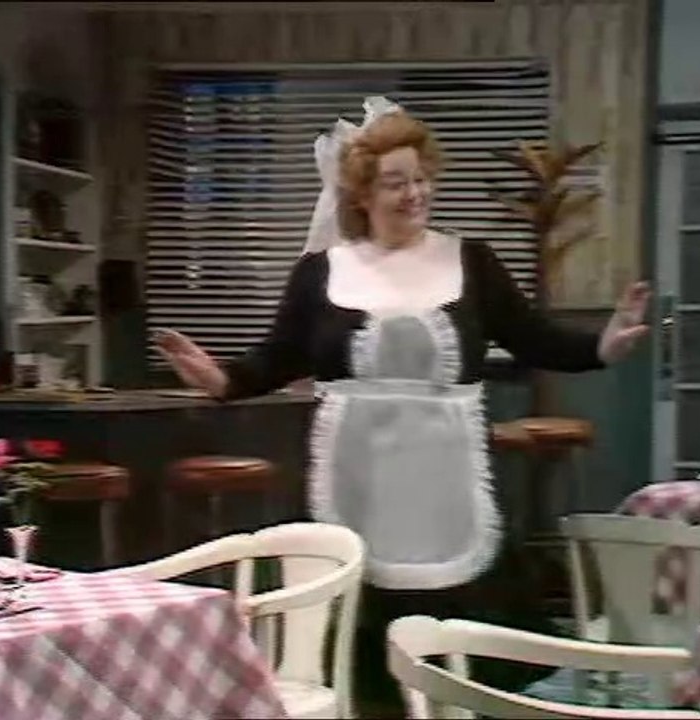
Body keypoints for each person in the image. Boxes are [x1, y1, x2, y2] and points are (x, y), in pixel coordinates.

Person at [155, 97, 651, 703]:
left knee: (461, 653)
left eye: (421, 179)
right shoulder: (319, 273)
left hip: (446, 486)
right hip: (355, 480)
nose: (415, 194)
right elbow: (279, 357)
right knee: (360, 650)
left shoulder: (473, 263)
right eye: (396, 183)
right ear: (363, 194)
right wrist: (221, 379)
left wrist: (603, 345)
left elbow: (534, 338)